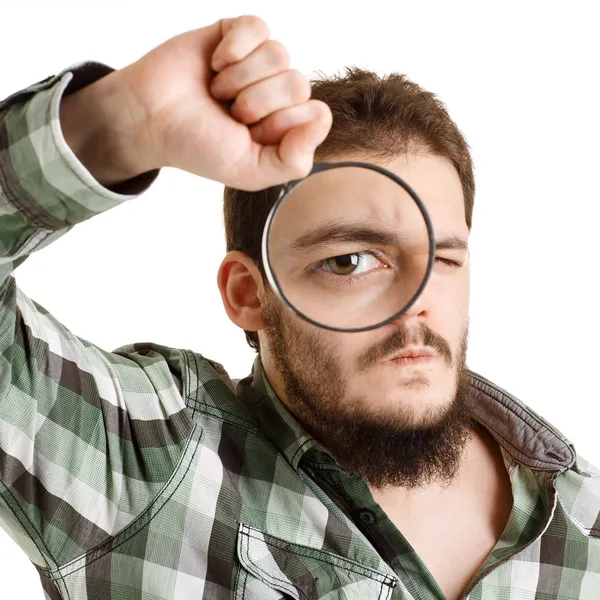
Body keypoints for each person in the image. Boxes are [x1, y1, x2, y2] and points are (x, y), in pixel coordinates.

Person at [0, 14, 597, 600]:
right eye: (350, 261)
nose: (417, 308)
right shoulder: (139, 468)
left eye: (443, 259)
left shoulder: (585, 528)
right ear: (247, 294)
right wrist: (116, 125)